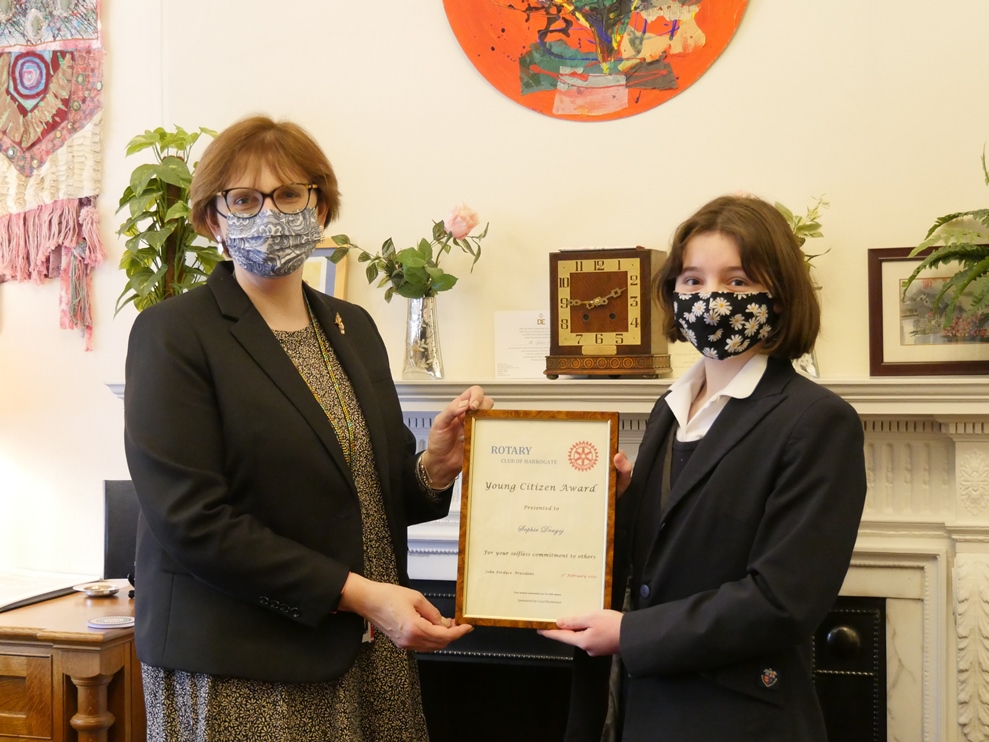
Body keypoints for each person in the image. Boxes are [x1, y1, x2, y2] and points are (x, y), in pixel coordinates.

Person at [123, 115, 493, 741]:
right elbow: (192, 520)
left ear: (320, 206)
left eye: (289, 194)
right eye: (243, 199)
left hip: (371, 648)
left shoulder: (353, 326)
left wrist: (433, 468)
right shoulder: (174, 333)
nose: (270, 214)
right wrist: (362, 596)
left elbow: (371, 500)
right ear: (213, 218)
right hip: (246, 661)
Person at [539, 194, 867, 741]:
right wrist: (620, 504)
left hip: (736, 719)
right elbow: (661, 561)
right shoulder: (668, 410)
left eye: (737, 282)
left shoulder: (818, 421)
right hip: (639, 710)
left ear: (779, 296)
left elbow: (783, 601)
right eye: (692, 281)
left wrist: (632, 635)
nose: (710, 298)